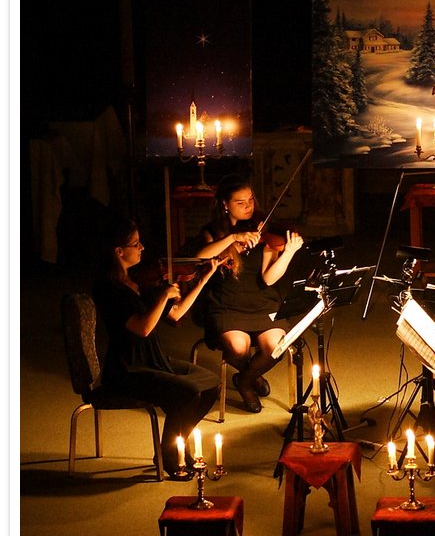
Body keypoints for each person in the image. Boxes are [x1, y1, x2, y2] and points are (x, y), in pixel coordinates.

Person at [91, 219, 224, 480]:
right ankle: (170, 454)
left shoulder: (140, 281)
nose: (142, 248)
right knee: (187, 393)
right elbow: (142, 328)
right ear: (118, 251)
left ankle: (176, 444)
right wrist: (163, 296)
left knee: (211, 384)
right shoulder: (109, 289)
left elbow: (175, 314)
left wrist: (203, 279)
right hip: (128, 367)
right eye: (135, 243)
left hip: (153, 358)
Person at [194, 175, 304, 413]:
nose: (248, 206)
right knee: (237, 348)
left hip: (261, 302)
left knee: (278, 345)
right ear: (225, 204)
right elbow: (201, 257)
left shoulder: (263, 230)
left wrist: (288, 253)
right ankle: (254, 377)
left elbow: (268, 278)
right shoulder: (212, 232)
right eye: (240, 202)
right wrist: (233, 238)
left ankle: (244, 381)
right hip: (226, 305)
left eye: (250, 200)